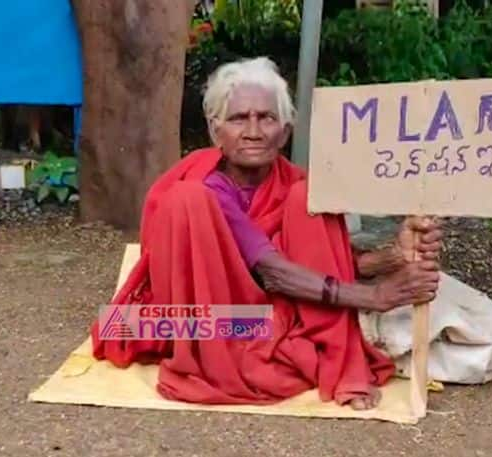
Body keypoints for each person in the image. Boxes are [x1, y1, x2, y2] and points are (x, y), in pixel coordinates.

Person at [90, 57, 443, 411]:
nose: (254, 132)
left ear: (285, 132)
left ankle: (320, 347)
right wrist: (375, 297)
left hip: (257, 314)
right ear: (216, 132)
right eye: (238, 118)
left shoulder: (295, 185)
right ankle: (276, 353)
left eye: (267, 118)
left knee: (307, 202)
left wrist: (394, 256)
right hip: (196, 323)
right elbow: (273, 272)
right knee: (183, 215)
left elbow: (324, 261)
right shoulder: (206, 186)